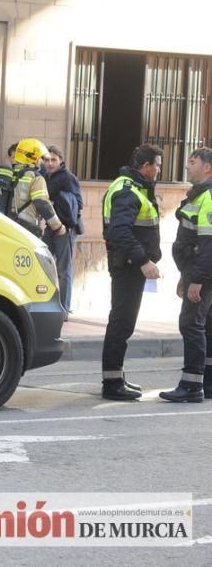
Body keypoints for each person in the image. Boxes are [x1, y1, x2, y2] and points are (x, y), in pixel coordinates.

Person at [100, 144, 162, 401]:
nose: (158, 170)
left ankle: (116, 376)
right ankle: (112, 384)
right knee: (121, 323)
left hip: (128, 265)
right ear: (145, 166)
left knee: (123, 322)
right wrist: (144, 260)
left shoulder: (133, 188)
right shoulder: (128, 191)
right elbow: (119, 232)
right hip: (128, 266)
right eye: (156, 165)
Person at [161, 148, 212, 402]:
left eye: (192, 162)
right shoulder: (198, 196)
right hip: (195, 270)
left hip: (203, 273)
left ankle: (192, 386)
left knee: (191, 324)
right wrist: (186, 274)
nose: (187, 166)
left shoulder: (208, 197)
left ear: (207, 168)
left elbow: (208, 244)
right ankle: (207, 382)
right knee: (205, 325)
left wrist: (198, 279)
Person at [42, 145, 84, 313]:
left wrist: (60, 204)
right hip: (49, 226)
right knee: (43, 263)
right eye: (47, 159)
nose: (50, 163)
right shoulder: (44, 176)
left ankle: (64, 308)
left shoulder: (68, 178)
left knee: (63, 269)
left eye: (54, 159)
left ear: (61, 160)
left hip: (65, 228)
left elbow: (79, 203)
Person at [10, 138, 66, 239]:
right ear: (33, 158)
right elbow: (42, 203)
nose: (41, 161)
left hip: (10, 225)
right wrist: (58, 227)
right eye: (40, 158)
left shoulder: (11, 174)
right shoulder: (36, 178)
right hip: (27, 229)